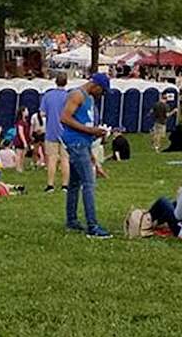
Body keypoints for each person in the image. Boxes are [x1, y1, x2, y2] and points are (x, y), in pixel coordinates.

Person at [60, 73, 112, 239]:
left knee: (74, 184)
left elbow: (85, 123)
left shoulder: (88, 99)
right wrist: (91, 131)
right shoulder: (77, 95)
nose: (102, 95)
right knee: (89, 184)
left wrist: (94, 139)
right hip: (76, 143)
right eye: (102, 91)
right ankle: (92, 225)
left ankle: (72, 220)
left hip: (83, 143)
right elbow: (65, 118)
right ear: (95, 85)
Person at [39, 75, 70, 193]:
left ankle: (50, 185)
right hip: (66, 131)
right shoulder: (68, 96)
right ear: (66, 83)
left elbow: (42, 113)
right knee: (65, 159)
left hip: (51, 131)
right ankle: (65, 185)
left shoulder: (48, 95)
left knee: (51, 159)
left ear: (55, 82)